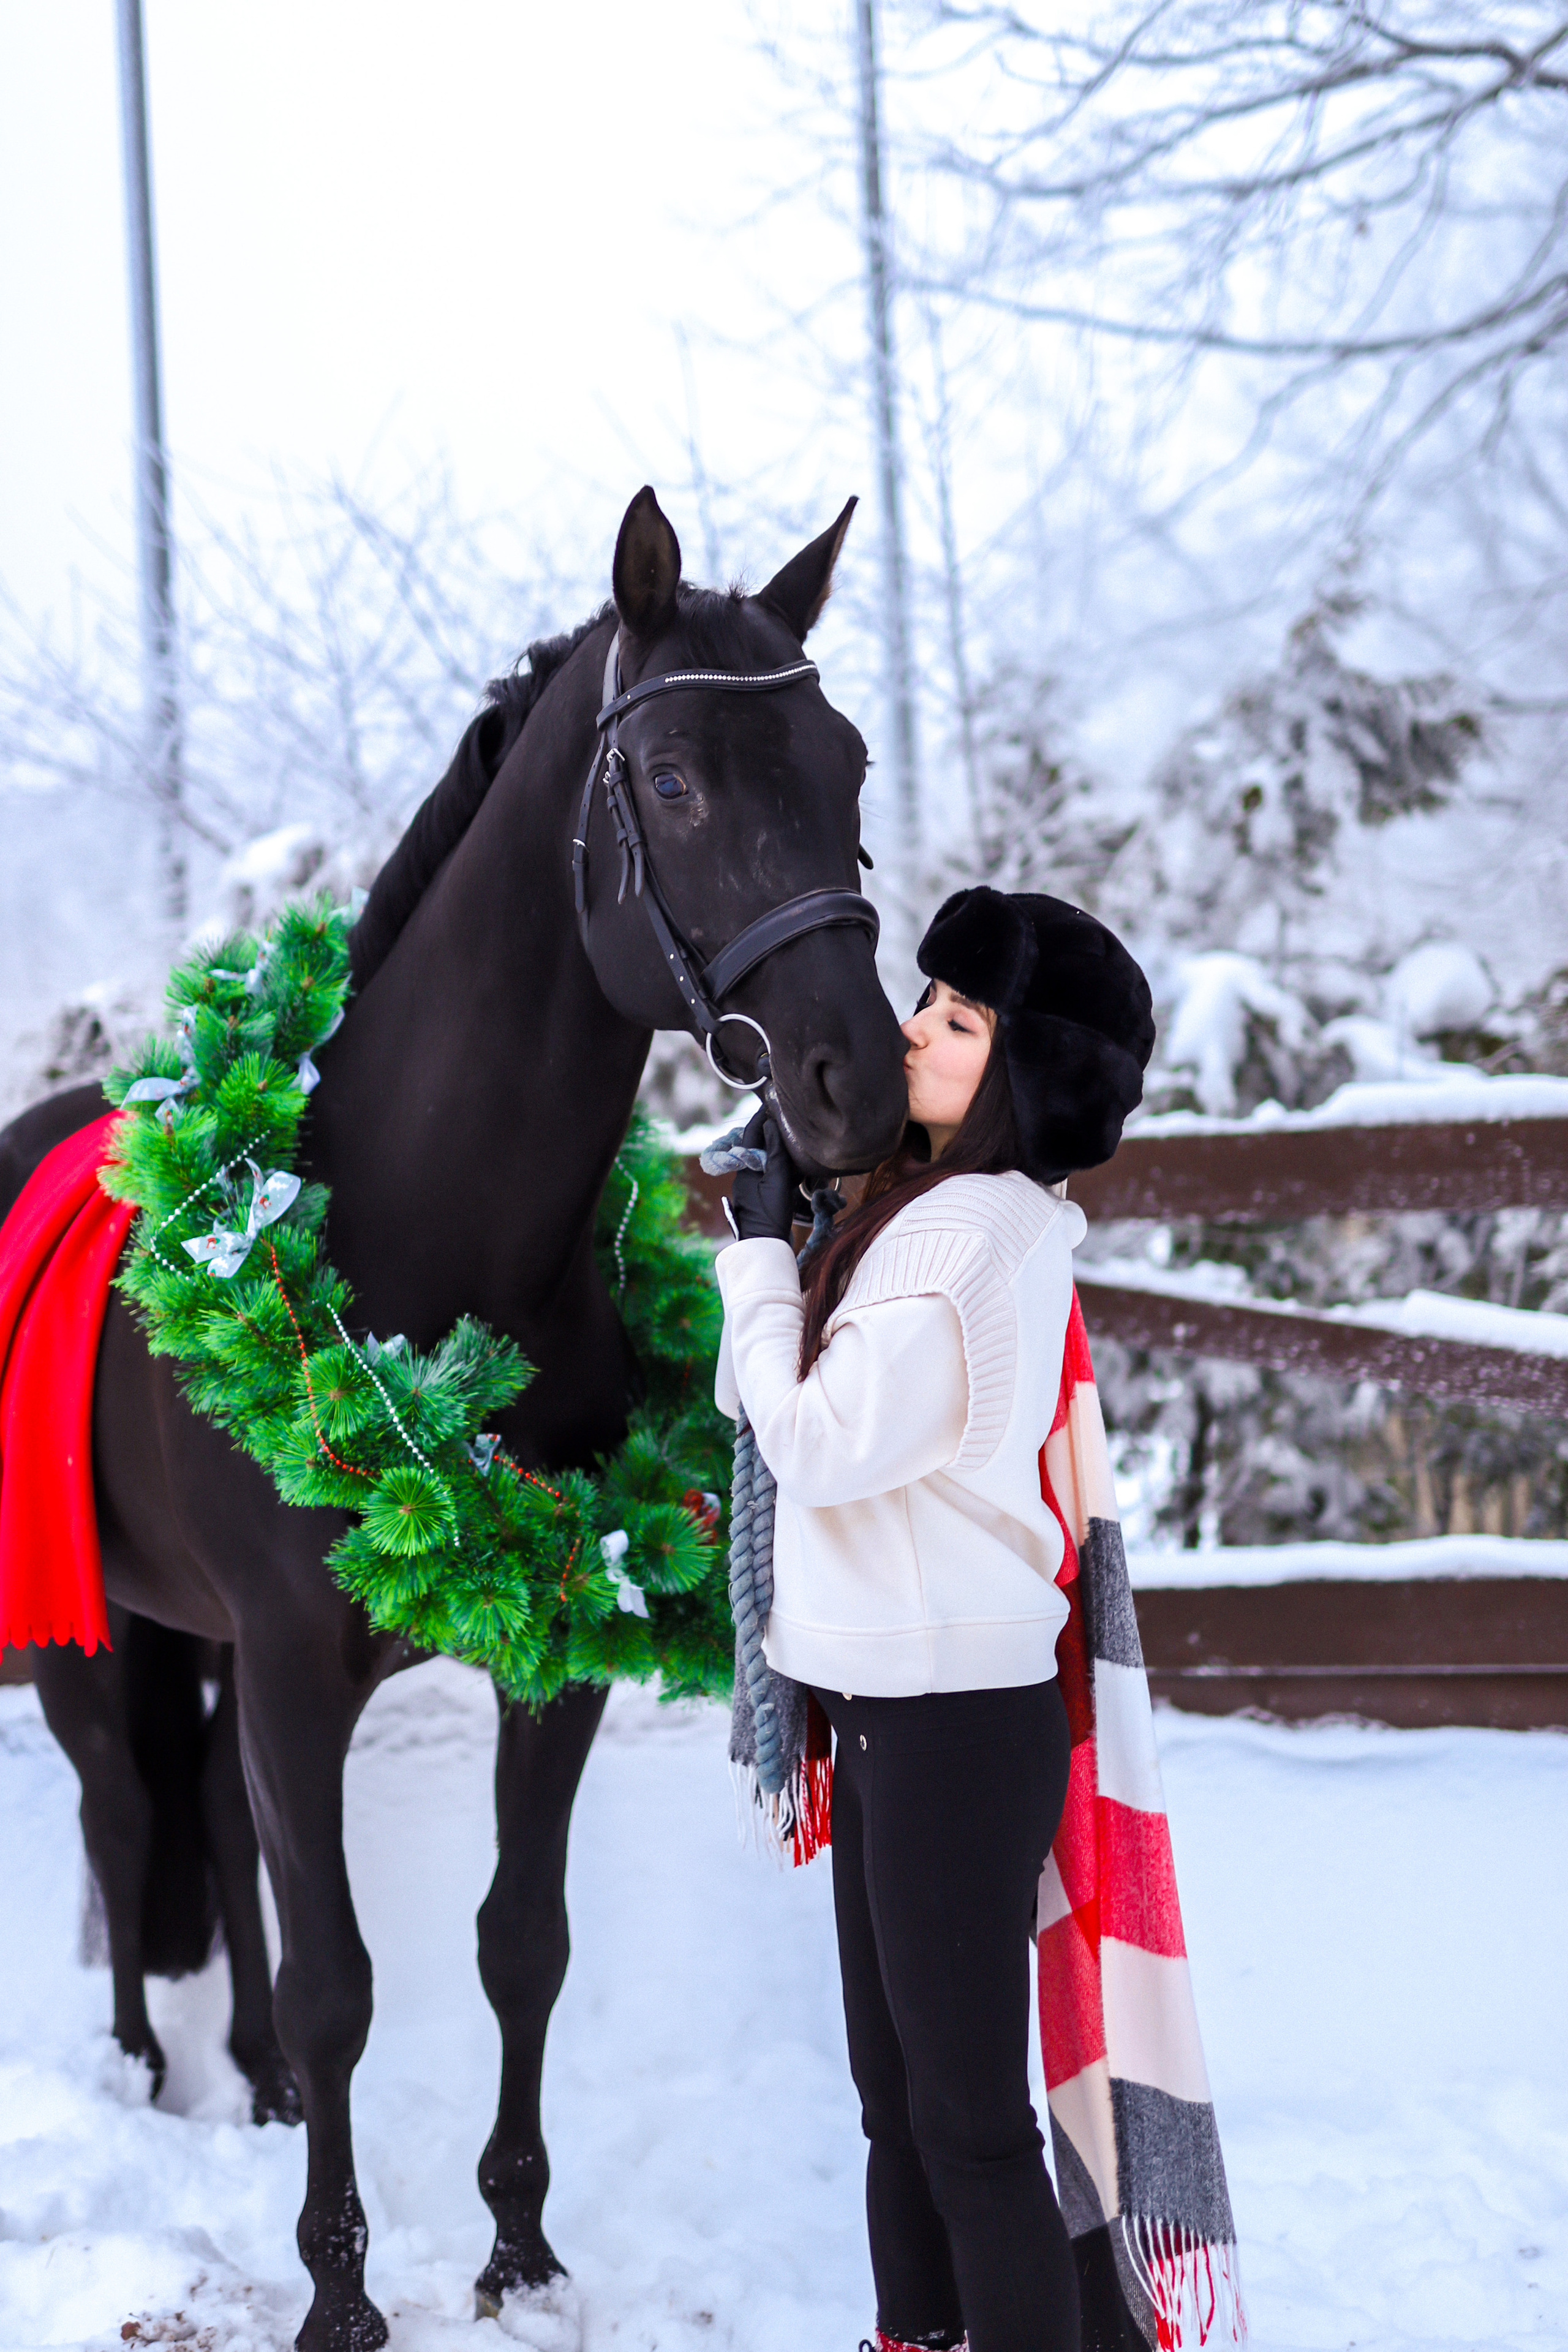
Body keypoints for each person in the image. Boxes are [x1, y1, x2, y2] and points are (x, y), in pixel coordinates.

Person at [714, 886, 1155, 2352]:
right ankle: (916, 2337)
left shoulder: (967, 1232)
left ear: (1024, 1071)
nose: (910, 1032)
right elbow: (772, 1406)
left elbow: (820, 1441)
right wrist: (784, 1249)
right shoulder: (918, 1217)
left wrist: (760, 1264)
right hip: (889, 1714)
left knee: (962, 2121)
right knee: (894, 2102)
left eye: (955, 1020)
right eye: (925, 1002)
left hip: (953, 1725)